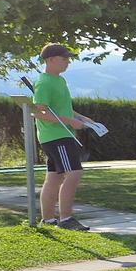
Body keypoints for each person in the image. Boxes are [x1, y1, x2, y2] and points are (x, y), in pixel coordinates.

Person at [32, 43, 92, 231]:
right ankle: (66, 219)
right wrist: (70, 122)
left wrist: (81, 118)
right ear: (50, 60)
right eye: (64, 58)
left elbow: (61, 108)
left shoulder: (59, 80)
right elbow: (39, 112)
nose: (68, 62)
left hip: (60, 135)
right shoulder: (44, 82)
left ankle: (48, 220)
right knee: (74, 173)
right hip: (56, 136)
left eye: (68, 59)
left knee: (55, 177)